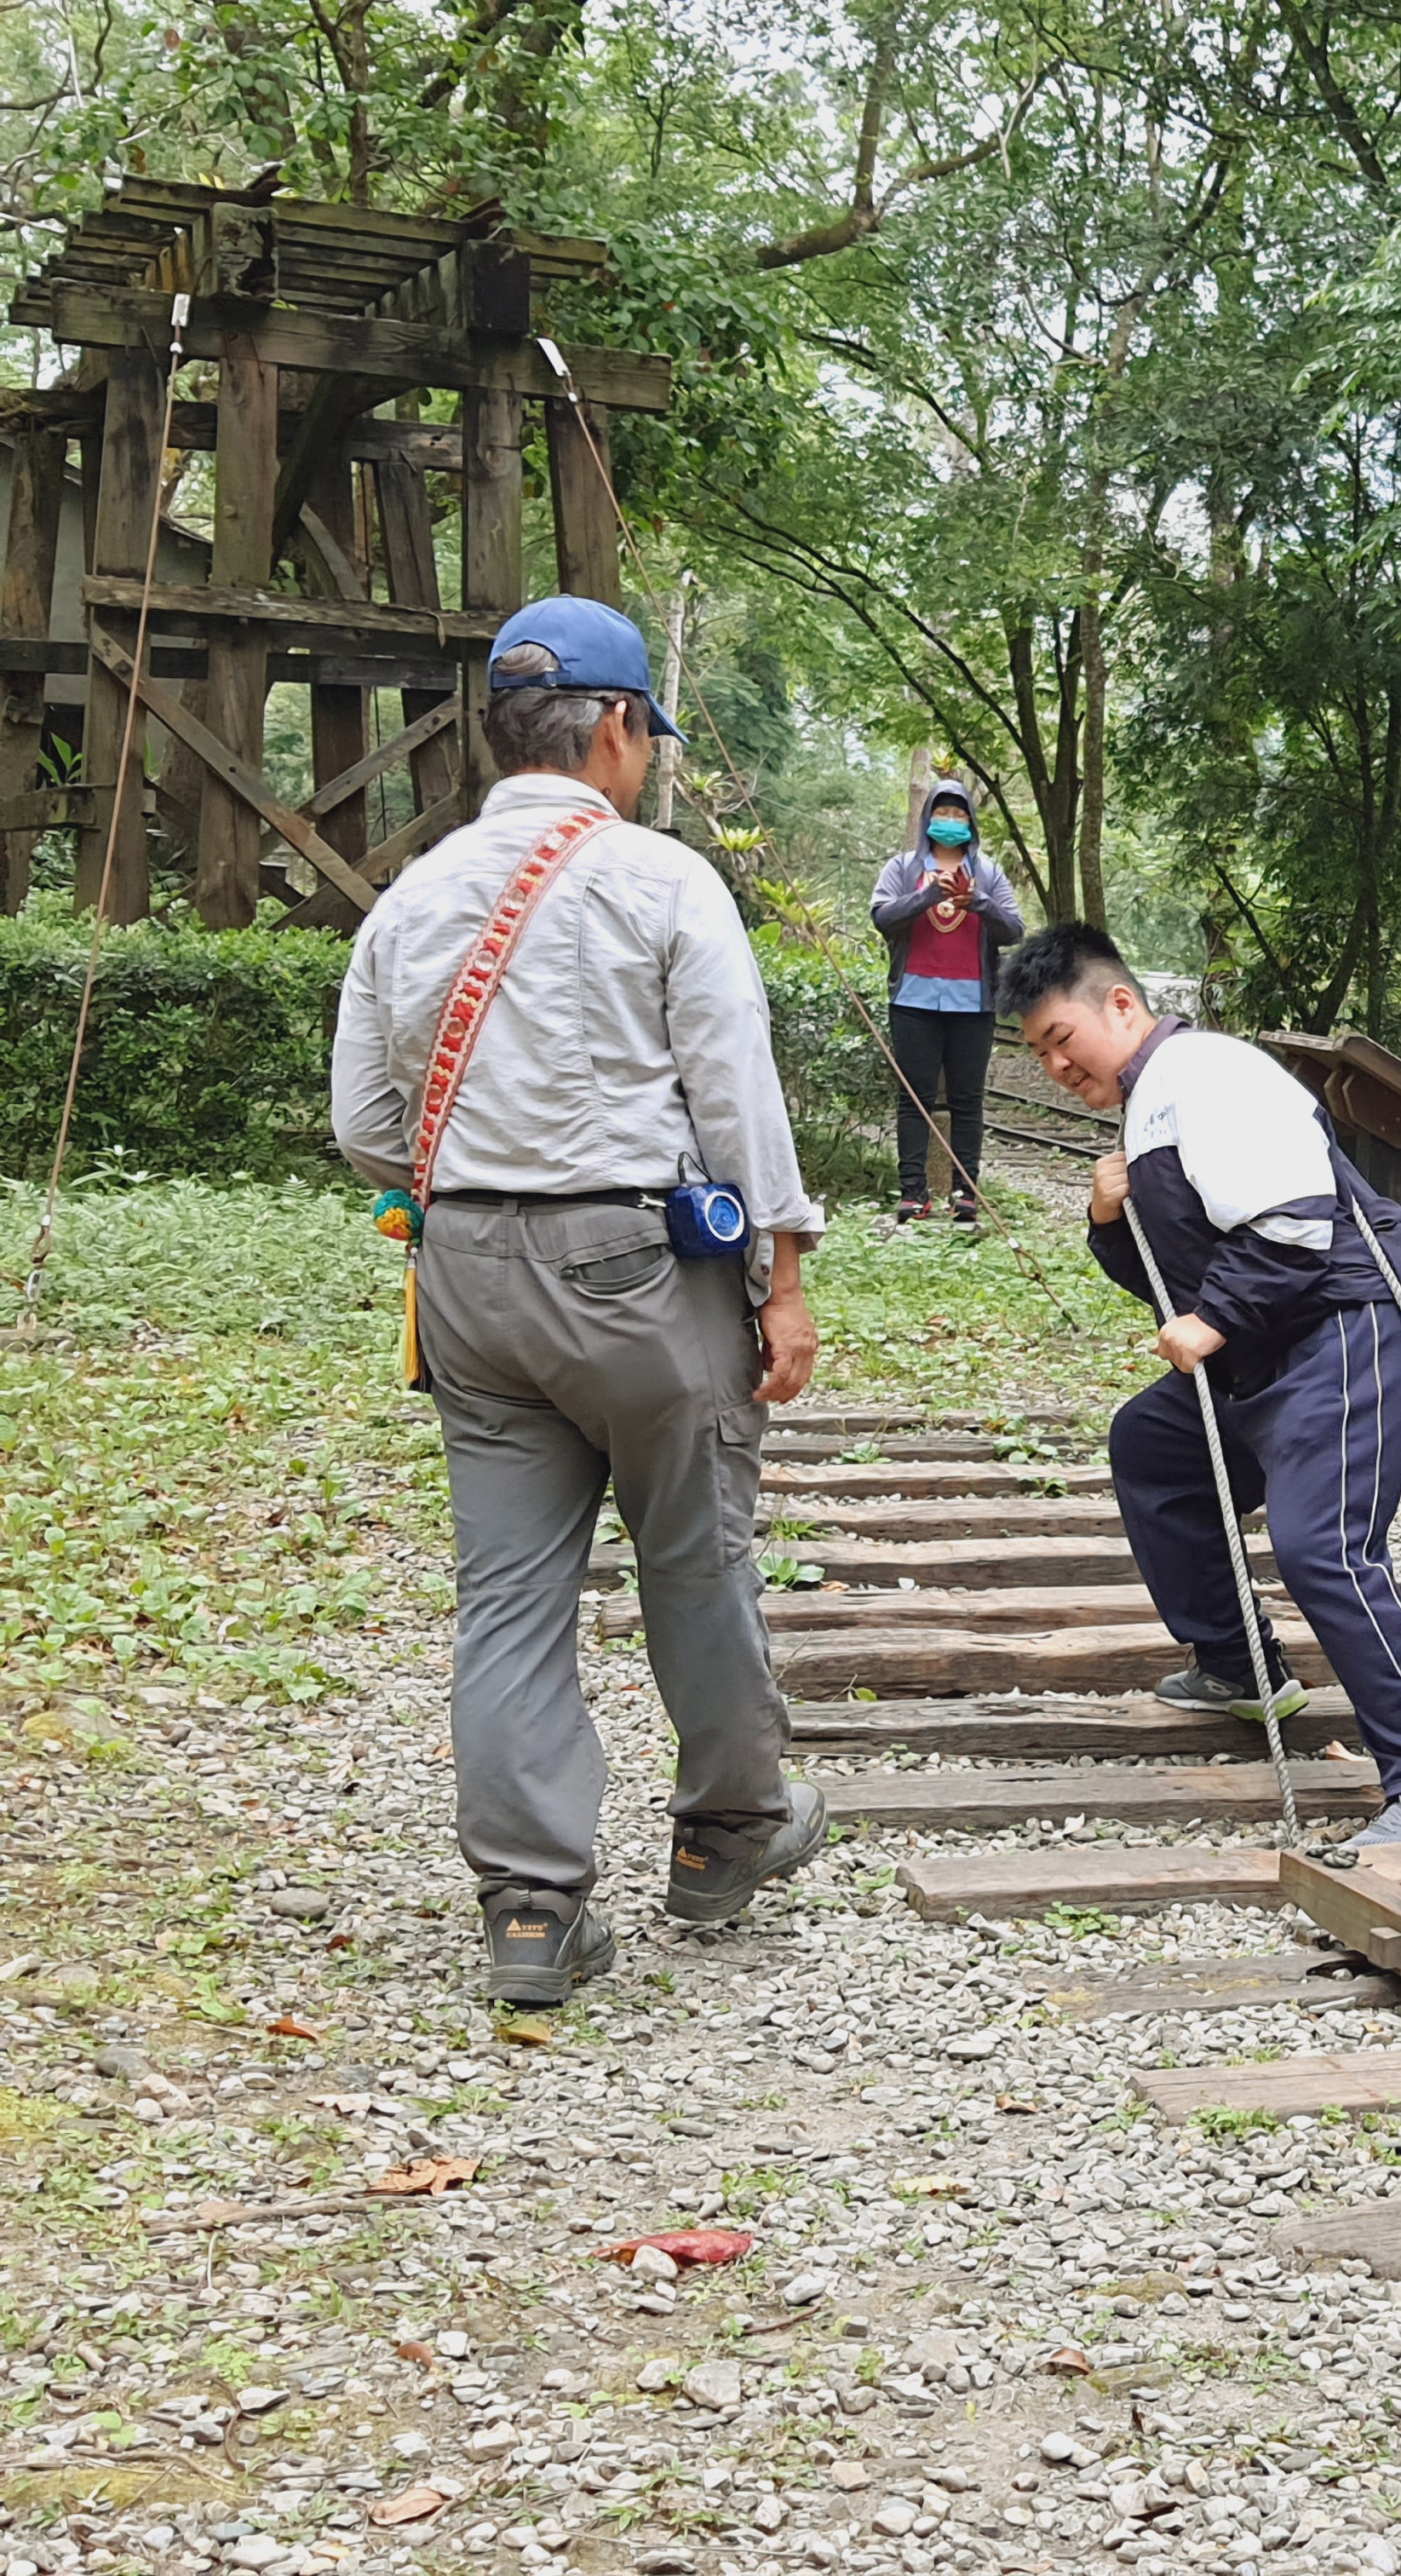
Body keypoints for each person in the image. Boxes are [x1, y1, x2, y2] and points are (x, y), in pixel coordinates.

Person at [331, 598, 829, 2006]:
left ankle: (534, 1906)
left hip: (467, 1275)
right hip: (639, 1272)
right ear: (616, 725)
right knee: (695, 1555)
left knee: (506, 1593)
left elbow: (365, 1118)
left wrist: (474, 1183)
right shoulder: (662, 880)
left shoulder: (412, 894)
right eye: (644, 736)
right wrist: (784, 1275)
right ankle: (727, 1831)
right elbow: (733, 1092)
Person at [999, 922, 1401, 1849]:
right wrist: (1111, 1221)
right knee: (1155, 1447)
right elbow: (1170, 1273)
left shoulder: (1206, 1074)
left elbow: (1297, 1223)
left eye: (1063, 1041)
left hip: (1356, 1329)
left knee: (1323, 1550)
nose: (1058, 1067)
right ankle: (1239, 1665)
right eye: (1041, 1055)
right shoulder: (1150, 1105)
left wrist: (1213, 1321)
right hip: (1276, 1346)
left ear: (1121, 1004)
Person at [871, 779, 1025, 1222]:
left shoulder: (989, 873)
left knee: (967, 1100)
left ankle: (966, 1193)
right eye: (944, 813)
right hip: (913, 997)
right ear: (927, 819)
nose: (951, 822)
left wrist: (977, 902)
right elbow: (882, 917)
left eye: (960, 815)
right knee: (913, 1099)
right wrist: (928, 895)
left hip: (973, 1002)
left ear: (972, 822)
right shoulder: (902, 867)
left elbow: (1014, 929)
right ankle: (913, 1192)